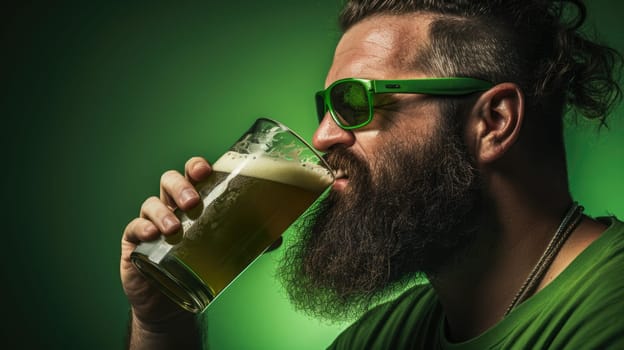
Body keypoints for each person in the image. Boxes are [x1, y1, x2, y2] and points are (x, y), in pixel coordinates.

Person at [120, 0, 624, 348]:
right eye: (326, 107)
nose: (321, 138)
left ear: (493, 123)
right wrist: (161, 324)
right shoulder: (388, 337)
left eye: (354, 102)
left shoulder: (609, 311)